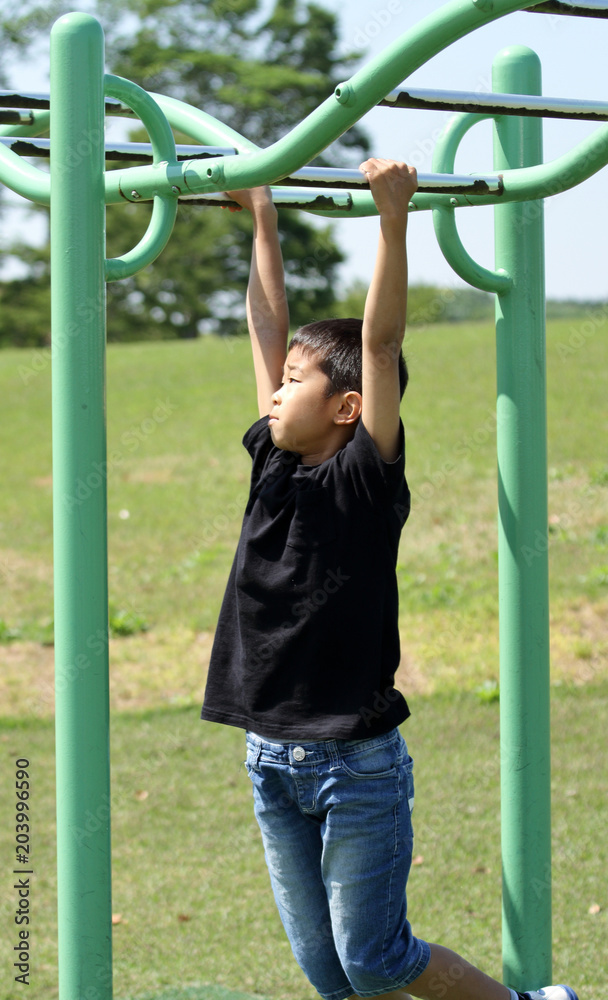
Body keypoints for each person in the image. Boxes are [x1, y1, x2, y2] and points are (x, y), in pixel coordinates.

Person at [200, 159, 577, 1000]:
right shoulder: (272, 459)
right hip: (268, 754)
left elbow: (380, 345)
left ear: (346, 409)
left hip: (355, 763)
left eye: (296, 384)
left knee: (375, 959)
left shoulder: (364, 479)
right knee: (328, 974)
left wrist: (393, 220)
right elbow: (268, 330)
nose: (274, 393)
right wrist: (261, 218)